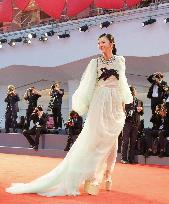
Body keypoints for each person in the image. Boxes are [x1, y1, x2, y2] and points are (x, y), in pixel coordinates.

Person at [6, 33, 132, 196]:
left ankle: (108, 174)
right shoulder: (95, 63)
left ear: (112, 43)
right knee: (95, 139)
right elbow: (87, 86)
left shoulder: (120, 60)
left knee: (113, 138)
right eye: (98, 42)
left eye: (103, 42)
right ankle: (92, 175)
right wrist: (83, 105)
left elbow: (123, 83)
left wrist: (125, 102)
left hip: (115, 103)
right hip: (100, 102)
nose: (100, 45)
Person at [121, 86, 144, 164]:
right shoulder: (126, 101)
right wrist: (131, 110)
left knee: (133, 142)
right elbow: (123, 110)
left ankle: (131, 159)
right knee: (126, 141)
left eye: (134, 91)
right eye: (132, 91)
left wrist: (140, 110)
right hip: (127, 123)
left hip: (136, 123)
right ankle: (124, 158)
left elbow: (141, 113)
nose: (133, 93)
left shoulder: (139, 101)